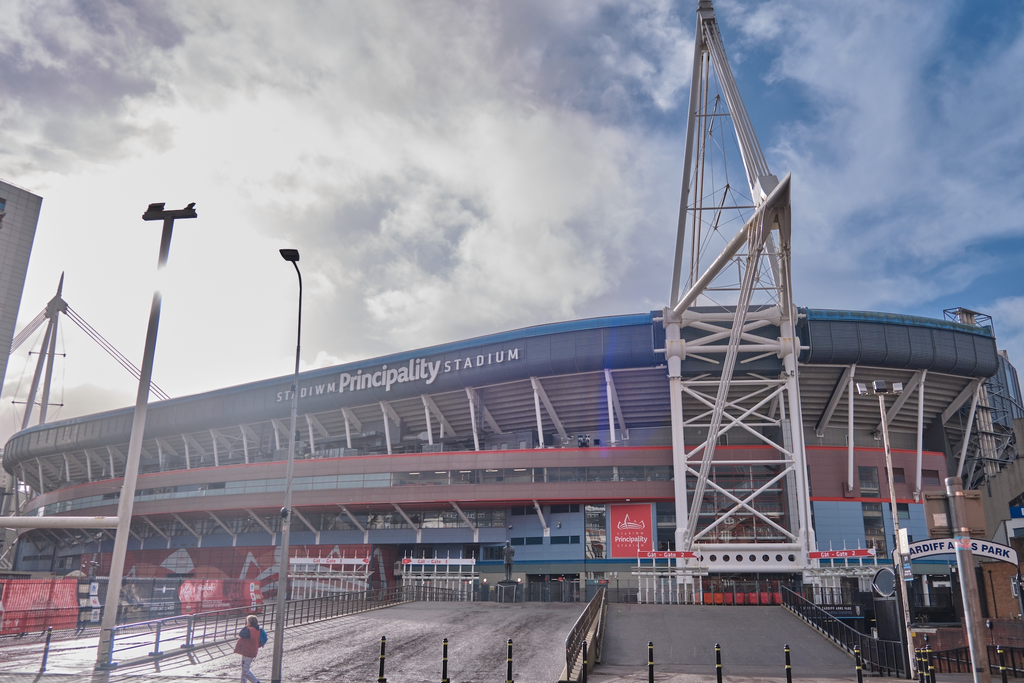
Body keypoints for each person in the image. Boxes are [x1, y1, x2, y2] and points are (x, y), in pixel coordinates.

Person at [234, 614, 268, 683]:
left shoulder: (250, 630)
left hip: (248, 651)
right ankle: (243, 681)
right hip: (252, 650)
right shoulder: (258, 629)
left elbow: (241, 634)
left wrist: (245, 627)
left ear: (249, 623)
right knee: (245, 668)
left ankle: (256, 681)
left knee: (245, 670)